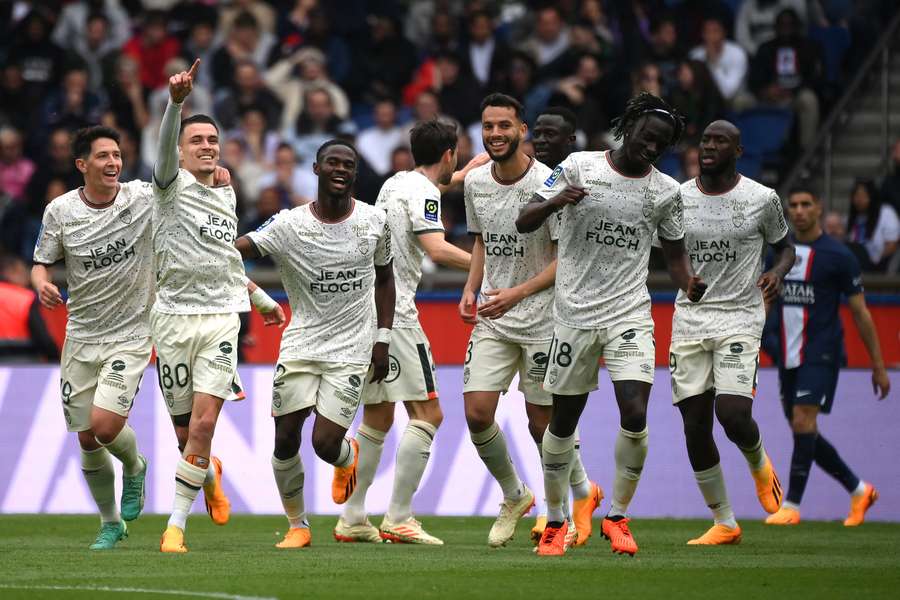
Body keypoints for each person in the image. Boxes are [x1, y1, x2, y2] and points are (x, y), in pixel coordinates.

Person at [516, 92, 706, 557]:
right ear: (631, 124)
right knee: (562, 421)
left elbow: (676, 259)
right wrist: (558, 199)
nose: (651, 146)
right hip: (573, 315)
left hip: (629, 314)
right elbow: (525, 220)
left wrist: (689, 283)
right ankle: (558, 520)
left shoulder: (665, 192)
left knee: (635, 413)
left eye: (661, 144)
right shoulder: (579, 166)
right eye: (648, 136)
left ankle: (617, 515)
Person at [236, 139, 394, 549]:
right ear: (317, 169)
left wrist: (383, 338)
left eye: (349, 164)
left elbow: (386, 279)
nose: (341, 169)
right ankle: (298, 526)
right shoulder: (289, 224)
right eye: (333, 163)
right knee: (285, 439)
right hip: (301, 345)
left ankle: (347, 457)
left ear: (354, 174)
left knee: (324, 444)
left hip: (352, 348)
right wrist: (211, 250)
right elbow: (240, 249)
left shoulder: (375, 221)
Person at [154, 60, 284, 553]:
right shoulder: (168, 187)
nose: (207, 146)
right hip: (170, 319)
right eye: (197, 141)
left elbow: (224, 260)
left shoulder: (227, 192)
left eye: (213, 140)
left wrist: (262, 298)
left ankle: (175, 528)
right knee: (186, 430)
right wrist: (176, 104)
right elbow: (165, 147)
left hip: (221, 320)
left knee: (205, 423)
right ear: (181, 153)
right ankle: (208, 472)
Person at [335, 120, 472, 545]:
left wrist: (465, 175)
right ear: (448, 153)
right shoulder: (424, 193)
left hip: (368, 317)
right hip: (400, 318)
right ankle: (399, 516)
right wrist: (487, 269)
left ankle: (354, 517)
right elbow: (435, 248)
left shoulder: (396, 183)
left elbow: (429, 191)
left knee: (377, 417)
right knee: (429, 415)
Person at [459, 93, 581, 550]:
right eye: (488, 126)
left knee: (542, 425)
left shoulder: (549, 183)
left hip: (543, 319)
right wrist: (472, 286)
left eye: (504, 126)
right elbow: (482, 242)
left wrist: (518, 293)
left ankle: (561, 514)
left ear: (522, 130)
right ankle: (514, 494)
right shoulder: (474, 184)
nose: (495, 134)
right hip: (494, 314)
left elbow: (564, 260)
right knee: (475, 413)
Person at [669, 120, 795, 545]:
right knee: (694, 424)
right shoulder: (678, 197)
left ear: (738, 151)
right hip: (690, 319)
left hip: (740, 316)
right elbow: (668, 253)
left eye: (720, 141)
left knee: (732, 413)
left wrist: (777, 272)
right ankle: (725, 521)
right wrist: (685, 278)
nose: (709, 147)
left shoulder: (762, 199)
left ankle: (759, 463)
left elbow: (787, 247)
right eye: (705, 140)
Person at [31, 126, 152, 550]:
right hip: (81, 335)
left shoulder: (141, 198)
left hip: (131, 333)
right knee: (85, 437)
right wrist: (41, 284)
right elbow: (41, 263)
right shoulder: (60, 211)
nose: (113, 163)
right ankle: (111, 523)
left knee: (104, 426)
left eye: (117, 155)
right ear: (82, 164)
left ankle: (135, 467)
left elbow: (179, 181)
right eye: (103, 156)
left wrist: (214, 174)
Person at [763, 189, 890, 527]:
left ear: (819, 208)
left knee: (804, 423)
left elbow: (861, 313)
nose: (800, 211)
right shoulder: (778, 254)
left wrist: (878, 366)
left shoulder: (839, 256)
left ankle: (790, 506)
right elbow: (766, 300)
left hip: (821, 352)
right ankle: (859, 490)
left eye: (806, 204)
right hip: (786, 355)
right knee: (803, 431)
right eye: (794, 205)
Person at [529, 106, 604, 548]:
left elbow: (565, 259)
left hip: (564, 313)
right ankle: (579, 494)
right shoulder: (535, 180)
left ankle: (557, 509)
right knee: (545, 421)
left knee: (551, 418)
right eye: (536, 133)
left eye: (549, 134)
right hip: (528, 314)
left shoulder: (579, 178)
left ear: (571, 140)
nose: (540, 140)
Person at [0, 254, 58, 362]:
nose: (27, 277)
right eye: (22, 271)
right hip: (22, 364)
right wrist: (56, 360)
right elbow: (44, 341)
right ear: (10, 271)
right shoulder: (24, 298)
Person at [846, 179, 900, 272]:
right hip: (856, 265)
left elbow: (892, 244)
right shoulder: (854, 217)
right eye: (856, 195)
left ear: (872, 196)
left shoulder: (886, 212)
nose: (859, 199)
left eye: (863, 195)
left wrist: (875, 263)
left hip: (879, 266)